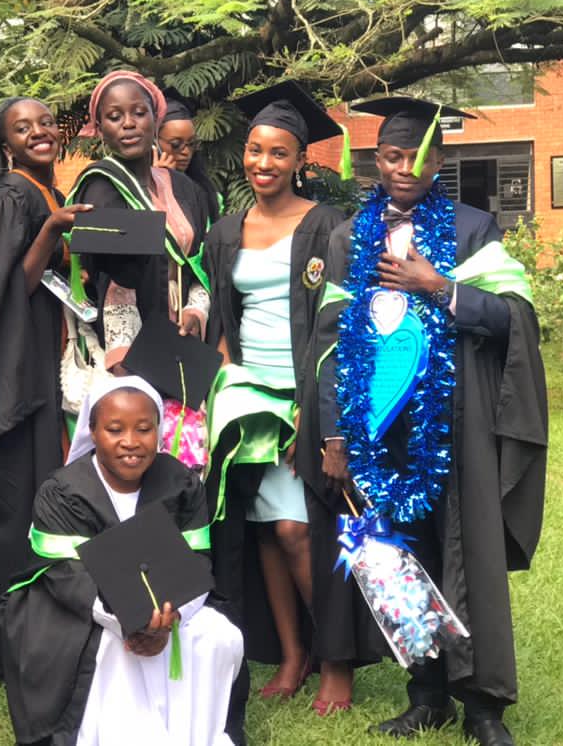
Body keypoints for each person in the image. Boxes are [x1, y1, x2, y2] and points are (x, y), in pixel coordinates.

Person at [304, 96, 547, 746]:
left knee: (465, 554)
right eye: (390, 154)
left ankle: (483, 706)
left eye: (417, 154)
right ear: (374, 160)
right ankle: (426, 694)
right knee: (394, 556)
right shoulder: (350, 235)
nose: (403, 166)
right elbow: (329, 342)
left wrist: (437, 285)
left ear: (438, 158)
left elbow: (513, 320)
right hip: (379, 427)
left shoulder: (474, 228)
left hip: (454, 421)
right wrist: (333, 434)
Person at [204, 81, 352, 713]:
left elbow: (340, 328)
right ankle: (292, 655)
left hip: (303, 395)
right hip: (245, 400)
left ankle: (336, 658)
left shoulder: (325, 227)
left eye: (279, 153)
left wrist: (313, 410)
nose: (263, 163)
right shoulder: (225, 230)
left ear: (300, 161)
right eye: (256, 150)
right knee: (267, 530)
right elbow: (222, 319)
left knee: (298, 528)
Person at [0, 377, 244, 746]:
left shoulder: (180, 481)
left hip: (168, 605)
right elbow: (68, 576)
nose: (131, 441)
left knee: (219, 636)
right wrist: (134, 623)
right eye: (115, 429)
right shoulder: (64, 492)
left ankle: (192, 735)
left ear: (158, 431)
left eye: (144, 429)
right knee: (113, 648)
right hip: (78, 608)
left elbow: (195, 560)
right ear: (92, 432)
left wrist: (170, 619)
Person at [0, 97, 92, 670]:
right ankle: (9, 643)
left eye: (43, 123)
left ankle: (45, 630)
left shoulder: (45, 191)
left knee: (41, 501)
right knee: (16, 509)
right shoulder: (13, 197)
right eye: (21, 127)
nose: (38, 132)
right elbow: (11, 287)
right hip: (16, 376)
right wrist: (53, 230)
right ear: (5, 144)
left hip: (42, 360)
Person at [68, 71, 214, 465]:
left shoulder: (183, 188)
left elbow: (204, 262)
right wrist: (126, 363)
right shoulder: (97, 188)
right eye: (115, 116)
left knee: (189, 458)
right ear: (99, 128)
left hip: (184, 340)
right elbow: (104, 285)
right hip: (129, 351)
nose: (129, 124)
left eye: (138, 112)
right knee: (140, 459)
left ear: (155, 119)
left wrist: (197, 311)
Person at [155, 93, 222, 224]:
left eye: (191, 144)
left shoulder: (207, 192)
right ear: (154, 143)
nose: (186, 152)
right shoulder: (137, 187)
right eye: (175, 145)